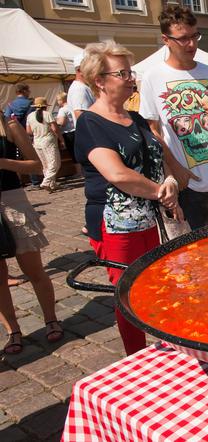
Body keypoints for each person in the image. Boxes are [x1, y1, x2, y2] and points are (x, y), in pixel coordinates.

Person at [75, 41, 182, 356]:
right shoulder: (90, 122)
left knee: (158, 285)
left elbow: (157, 157)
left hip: (151, 219)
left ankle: (166, 345)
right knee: (129, 294)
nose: (130, 77)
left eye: (129, 71)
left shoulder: (134, 118)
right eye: (122, 72)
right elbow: (117, 174)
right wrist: (163, 191)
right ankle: (137, 357)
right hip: (117, 224)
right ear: (100, 81)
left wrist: (172, 180)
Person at [140, 5, 208, 229]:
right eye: (183, 39)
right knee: (196, 256)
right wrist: (174, 168)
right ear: (166, 39)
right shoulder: (152, 77)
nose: (192, 44)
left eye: (195, 36)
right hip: (188, 186)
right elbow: (152, 131)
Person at [0, 113, 63, 354]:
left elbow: (37, 165)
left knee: (33, 269)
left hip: (12, 201)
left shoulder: (9, 126)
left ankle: (50, 319)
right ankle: (13, 331)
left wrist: (3, 163)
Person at [26, 97, 64, 192]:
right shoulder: (47, 114)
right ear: (45, 106)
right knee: (55, 163)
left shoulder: (30, 116)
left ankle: (52, 184)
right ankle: (46, 181)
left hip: (37, 142)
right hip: (48, 141)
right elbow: (55, 129)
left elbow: (29, 131)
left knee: (46, 164)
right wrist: (61, 139)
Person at [55, 92, 81, 177]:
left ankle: (79, 172)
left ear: (60, 100)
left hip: (68, 133)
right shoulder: (72, 106)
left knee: (73, 153)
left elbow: (61, 122)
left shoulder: (62, 110)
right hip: (76, 130)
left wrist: (55, 122)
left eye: (57, 100)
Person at [68, 52, 96, 121]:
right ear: (79, 70)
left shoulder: (83, 87)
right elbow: (81, 117)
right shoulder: (79, 89)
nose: (94, 70)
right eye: (90, 68)